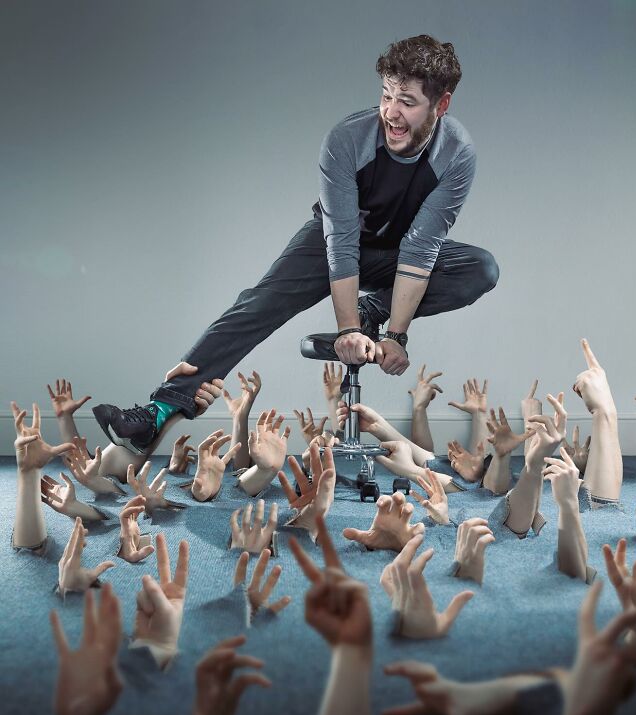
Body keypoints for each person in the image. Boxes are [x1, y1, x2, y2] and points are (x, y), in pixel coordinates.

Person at [91, 34, 498, 453]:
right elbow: (340, 244)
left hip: (398, 252)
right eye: (386, 95)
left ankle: (372, 307)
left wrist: (396, 333)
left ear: (441, 105)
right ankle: (159, 409)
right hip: (335, 238)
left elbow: (421, 248)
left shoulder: (457, 153)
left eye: (407, 102)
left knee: (479, 269)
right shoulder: (345, 141)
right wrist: (347, 331)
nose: (391, 113)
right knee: (259, 303)